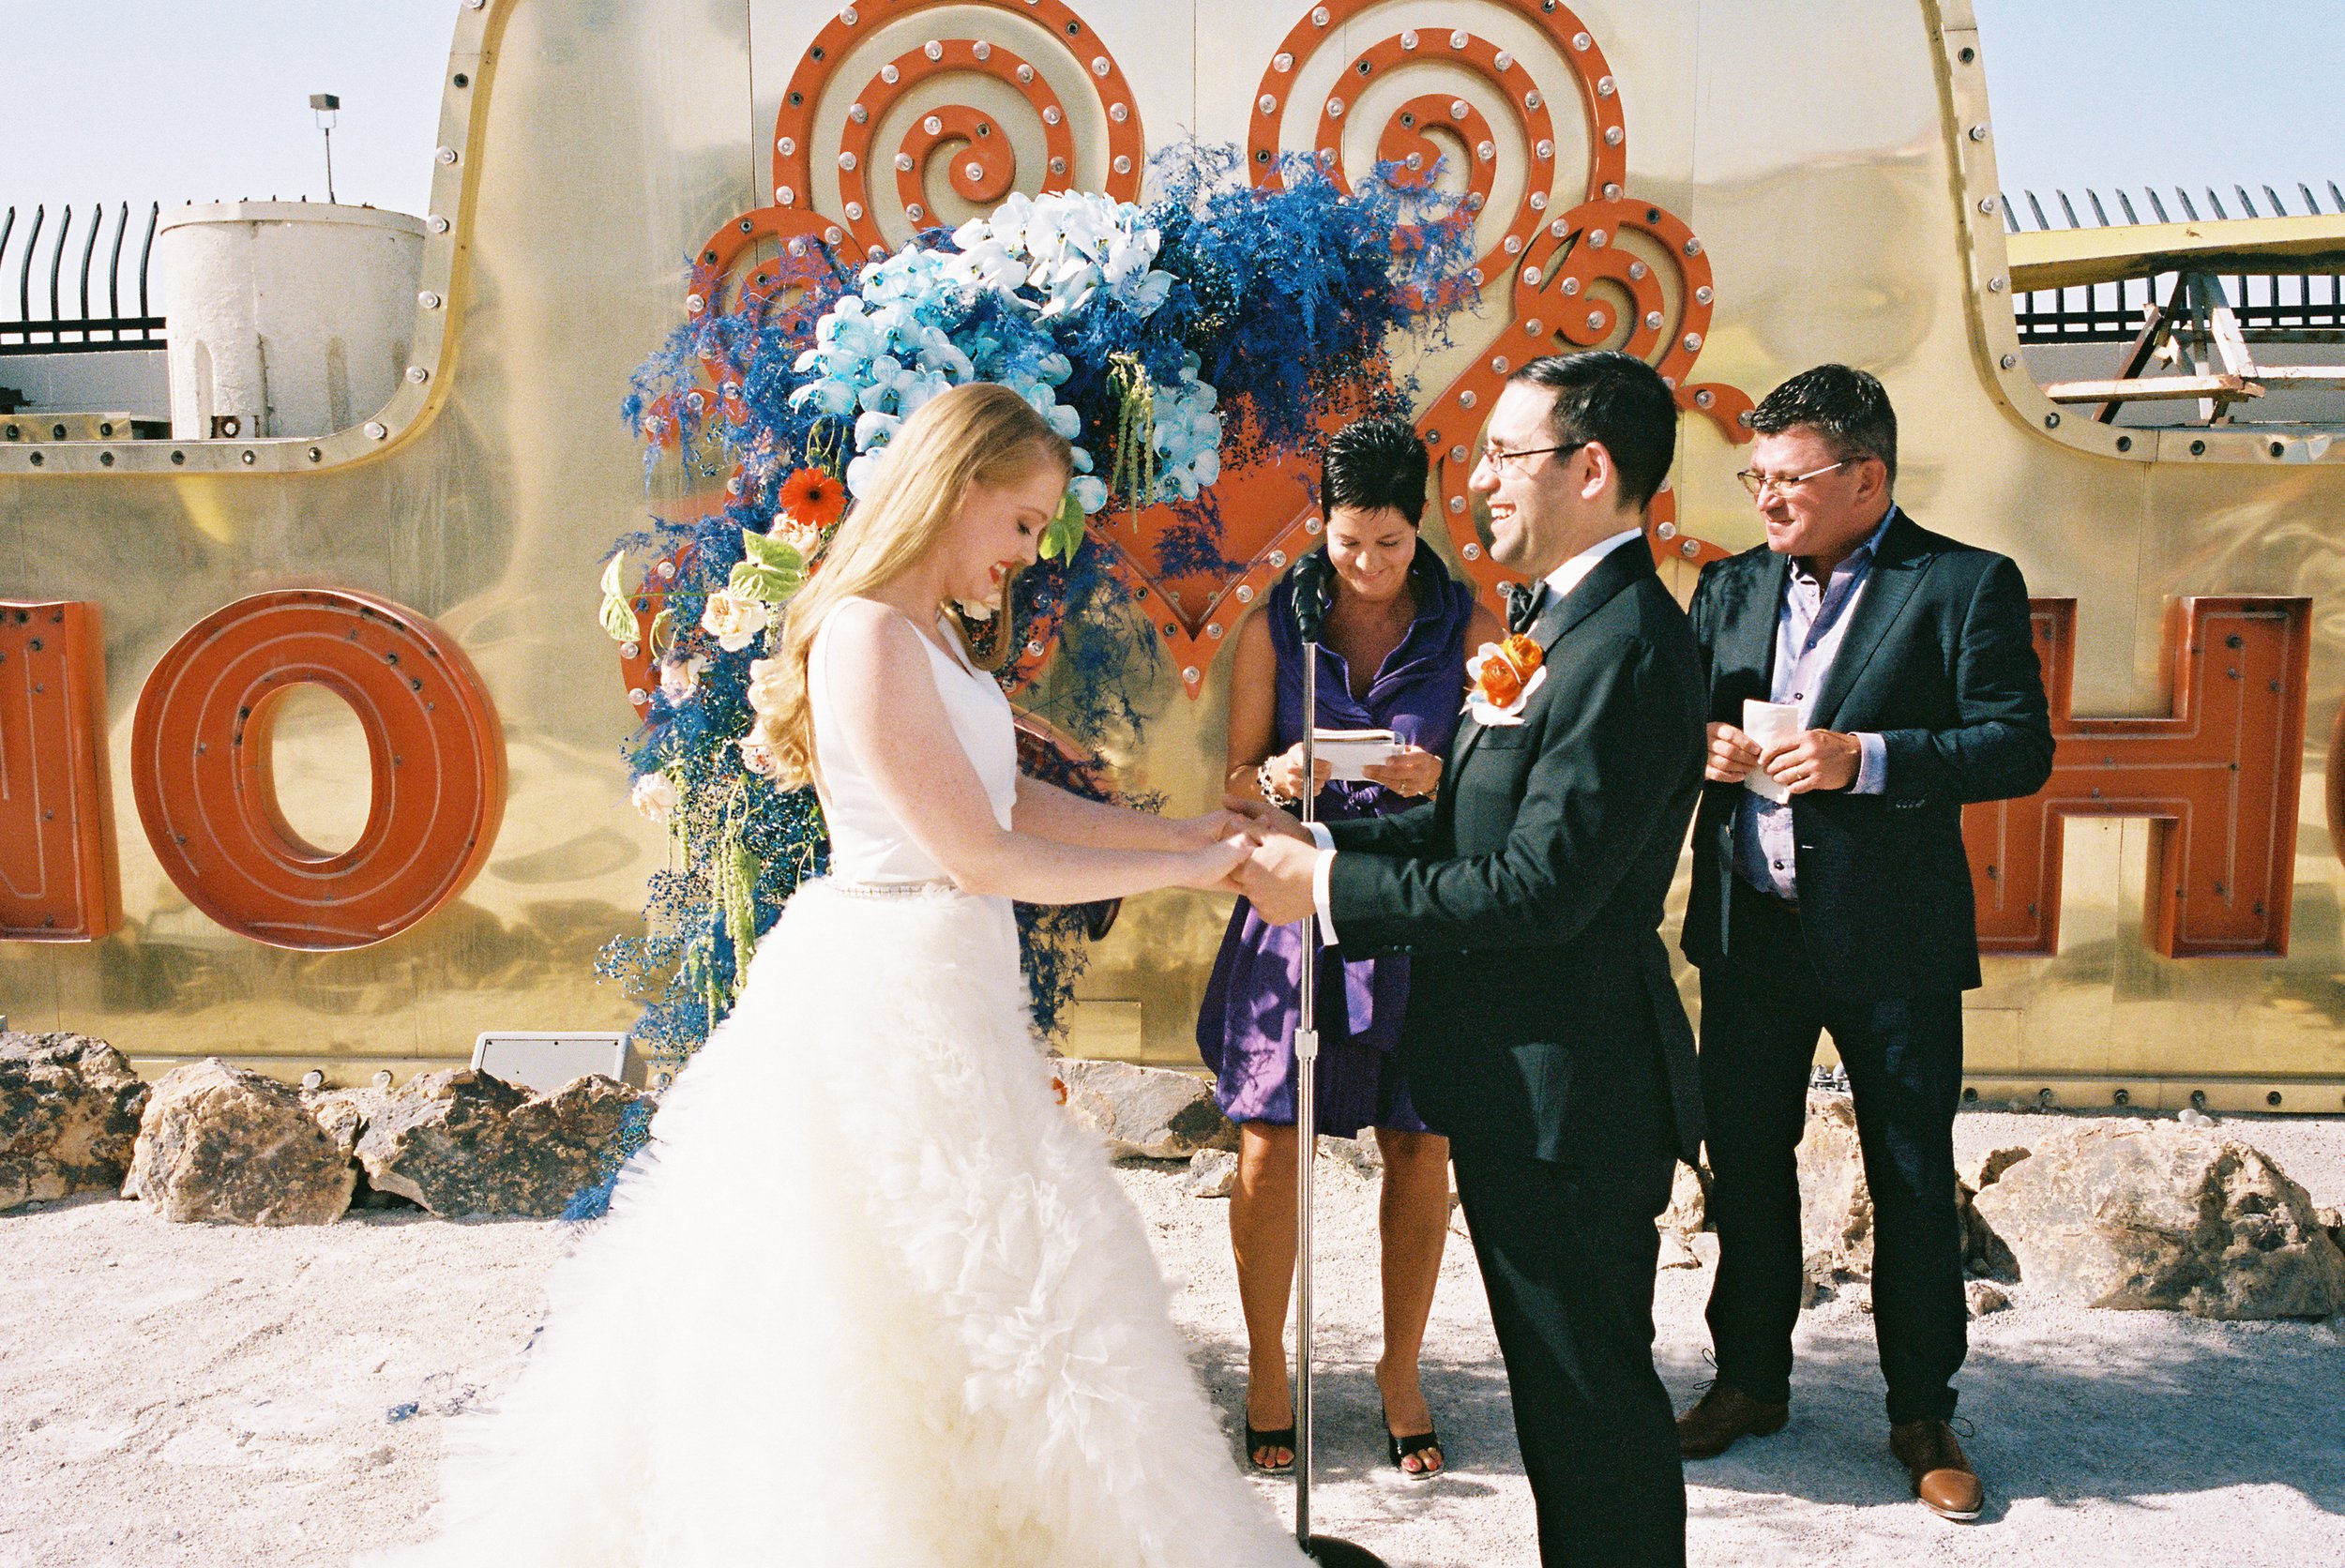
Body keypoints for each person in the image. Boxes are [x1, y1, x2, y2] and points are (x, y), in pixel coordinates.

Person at [363, 383, 1306, 1568]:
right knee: (918, 1273)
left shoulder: (931, 637)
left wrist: (1188, 838)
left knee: (972, 1271)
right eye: (1021, 521)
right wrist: (1195, 872)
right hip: (891, 993)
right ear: (957, 490)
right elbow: (976, 853)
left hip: (948, 981)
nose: (1028, 551)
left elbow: (1010, 797)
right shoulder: (866, 635)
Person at [1229, 351, 1708, 1568]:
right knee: (1560, 1416)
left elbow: (1538, 888)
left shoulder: (1627, 646)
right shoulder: (1553, 622)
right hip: (1512, 1086)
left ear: (1590, 470)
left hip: (1571, 1094)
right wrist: (1318, 840)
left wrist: (1328, 887)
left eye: (1504, 454)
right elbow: (1466, 824)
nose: (1480, 482)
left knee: (1593, 1420)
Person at [1672, 364, 2052, 1523]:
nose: (1765, 498)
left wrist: (1866, 759)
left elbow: (2016, 746)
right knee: (1746, 1163)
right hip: (1750, 925)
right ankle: (1748, 1382)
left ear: (1865, 478)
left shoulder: (1963, 584)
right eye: (1756, 476)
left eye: (1788, 479)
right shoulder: (1730, 584)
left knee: (1908, 1173)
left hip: (1891, 938)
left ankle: (1921, 1413)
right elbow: (1674, 715)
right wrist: (1703, 745)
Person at [1199, 415, 1503, 1479]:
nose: (1368, 565)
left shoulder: (1473, 628)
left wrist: (1445, 776)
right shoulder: (1274, 630)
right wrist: (1278, 776)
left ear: (1420, 528)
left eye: (1390, 544)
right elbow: (1232, 781)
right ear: (1320, 527)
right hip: (1300, 903)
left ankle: (1400, 1368)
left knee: (1420, 1143)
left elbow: (1512, 781)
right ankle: (1266, 1365)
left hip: (1418, 906)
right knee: (1269, 1137)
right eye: (1346, 543)